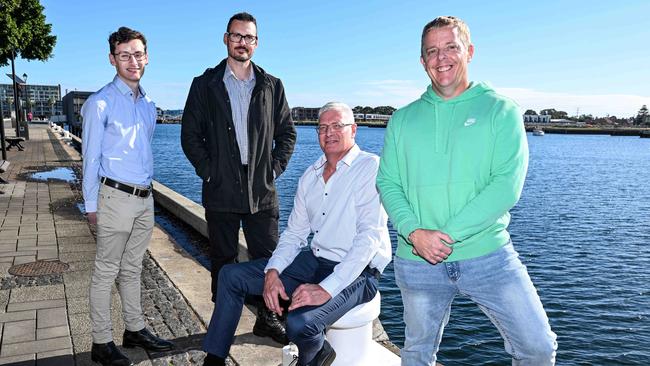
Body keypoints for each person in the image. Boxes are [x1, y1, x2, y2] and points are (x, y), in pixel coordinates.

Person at [376, 16, 557, 365]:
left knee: (537, 348)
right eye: (432, 51)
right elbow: (388, 181)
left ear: (469, 52)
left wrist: (442, 236)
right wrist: (415, 233)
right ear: (422, 61)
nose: (441, 58)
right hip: (417, 260)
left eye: (450, 47)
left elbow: (505, 185)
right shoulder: (402, 119)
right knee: (416, 354)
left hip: (488, 254)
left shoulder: (500, 110)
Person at [201, 102, 392, 366]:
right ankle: (214, 358)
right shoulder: (310, 177)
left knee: (300, 323)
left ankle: (312, 356)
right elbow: (294, 234)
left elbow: (368, 238)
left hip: (360, 272)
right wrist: (273, 271)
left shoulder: (370, 168)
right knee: (231, 276)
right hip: (315, 260)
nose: (329, 133)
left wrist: (326, 289)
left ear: (354, 130)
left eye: (337, 125)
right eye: (322, 127)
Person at [181, 12, 296, 342]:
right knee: (223, 258)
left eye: (249, 37)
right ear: (225, 38)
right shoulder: (204, 85)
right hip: (221, 190)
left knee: (269, 258)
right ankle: (224, 319)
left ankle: (268, 316)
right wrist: (209, 171)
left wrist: (273, 169)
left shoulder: (272, 85)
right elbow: (190, 135)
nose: (243, 42)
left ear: (256, 43)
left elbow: (287, 134)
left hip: (261, 189)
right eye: (237, 36)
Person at [82, 26, 174, 366]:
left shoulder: (148, 105)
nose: (132, 61)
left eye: (138, 54)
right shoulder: (99, 103)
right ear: (112, 59)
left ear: (146, 57)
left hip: (144, 198)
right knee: (106, 270)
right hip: (115, 198)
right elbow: (90, 158)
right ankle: (101, 341)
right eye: (125, 55)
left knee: (133, 267)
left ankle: (134, 328)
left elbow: (141, 151)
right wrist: (91, 206)